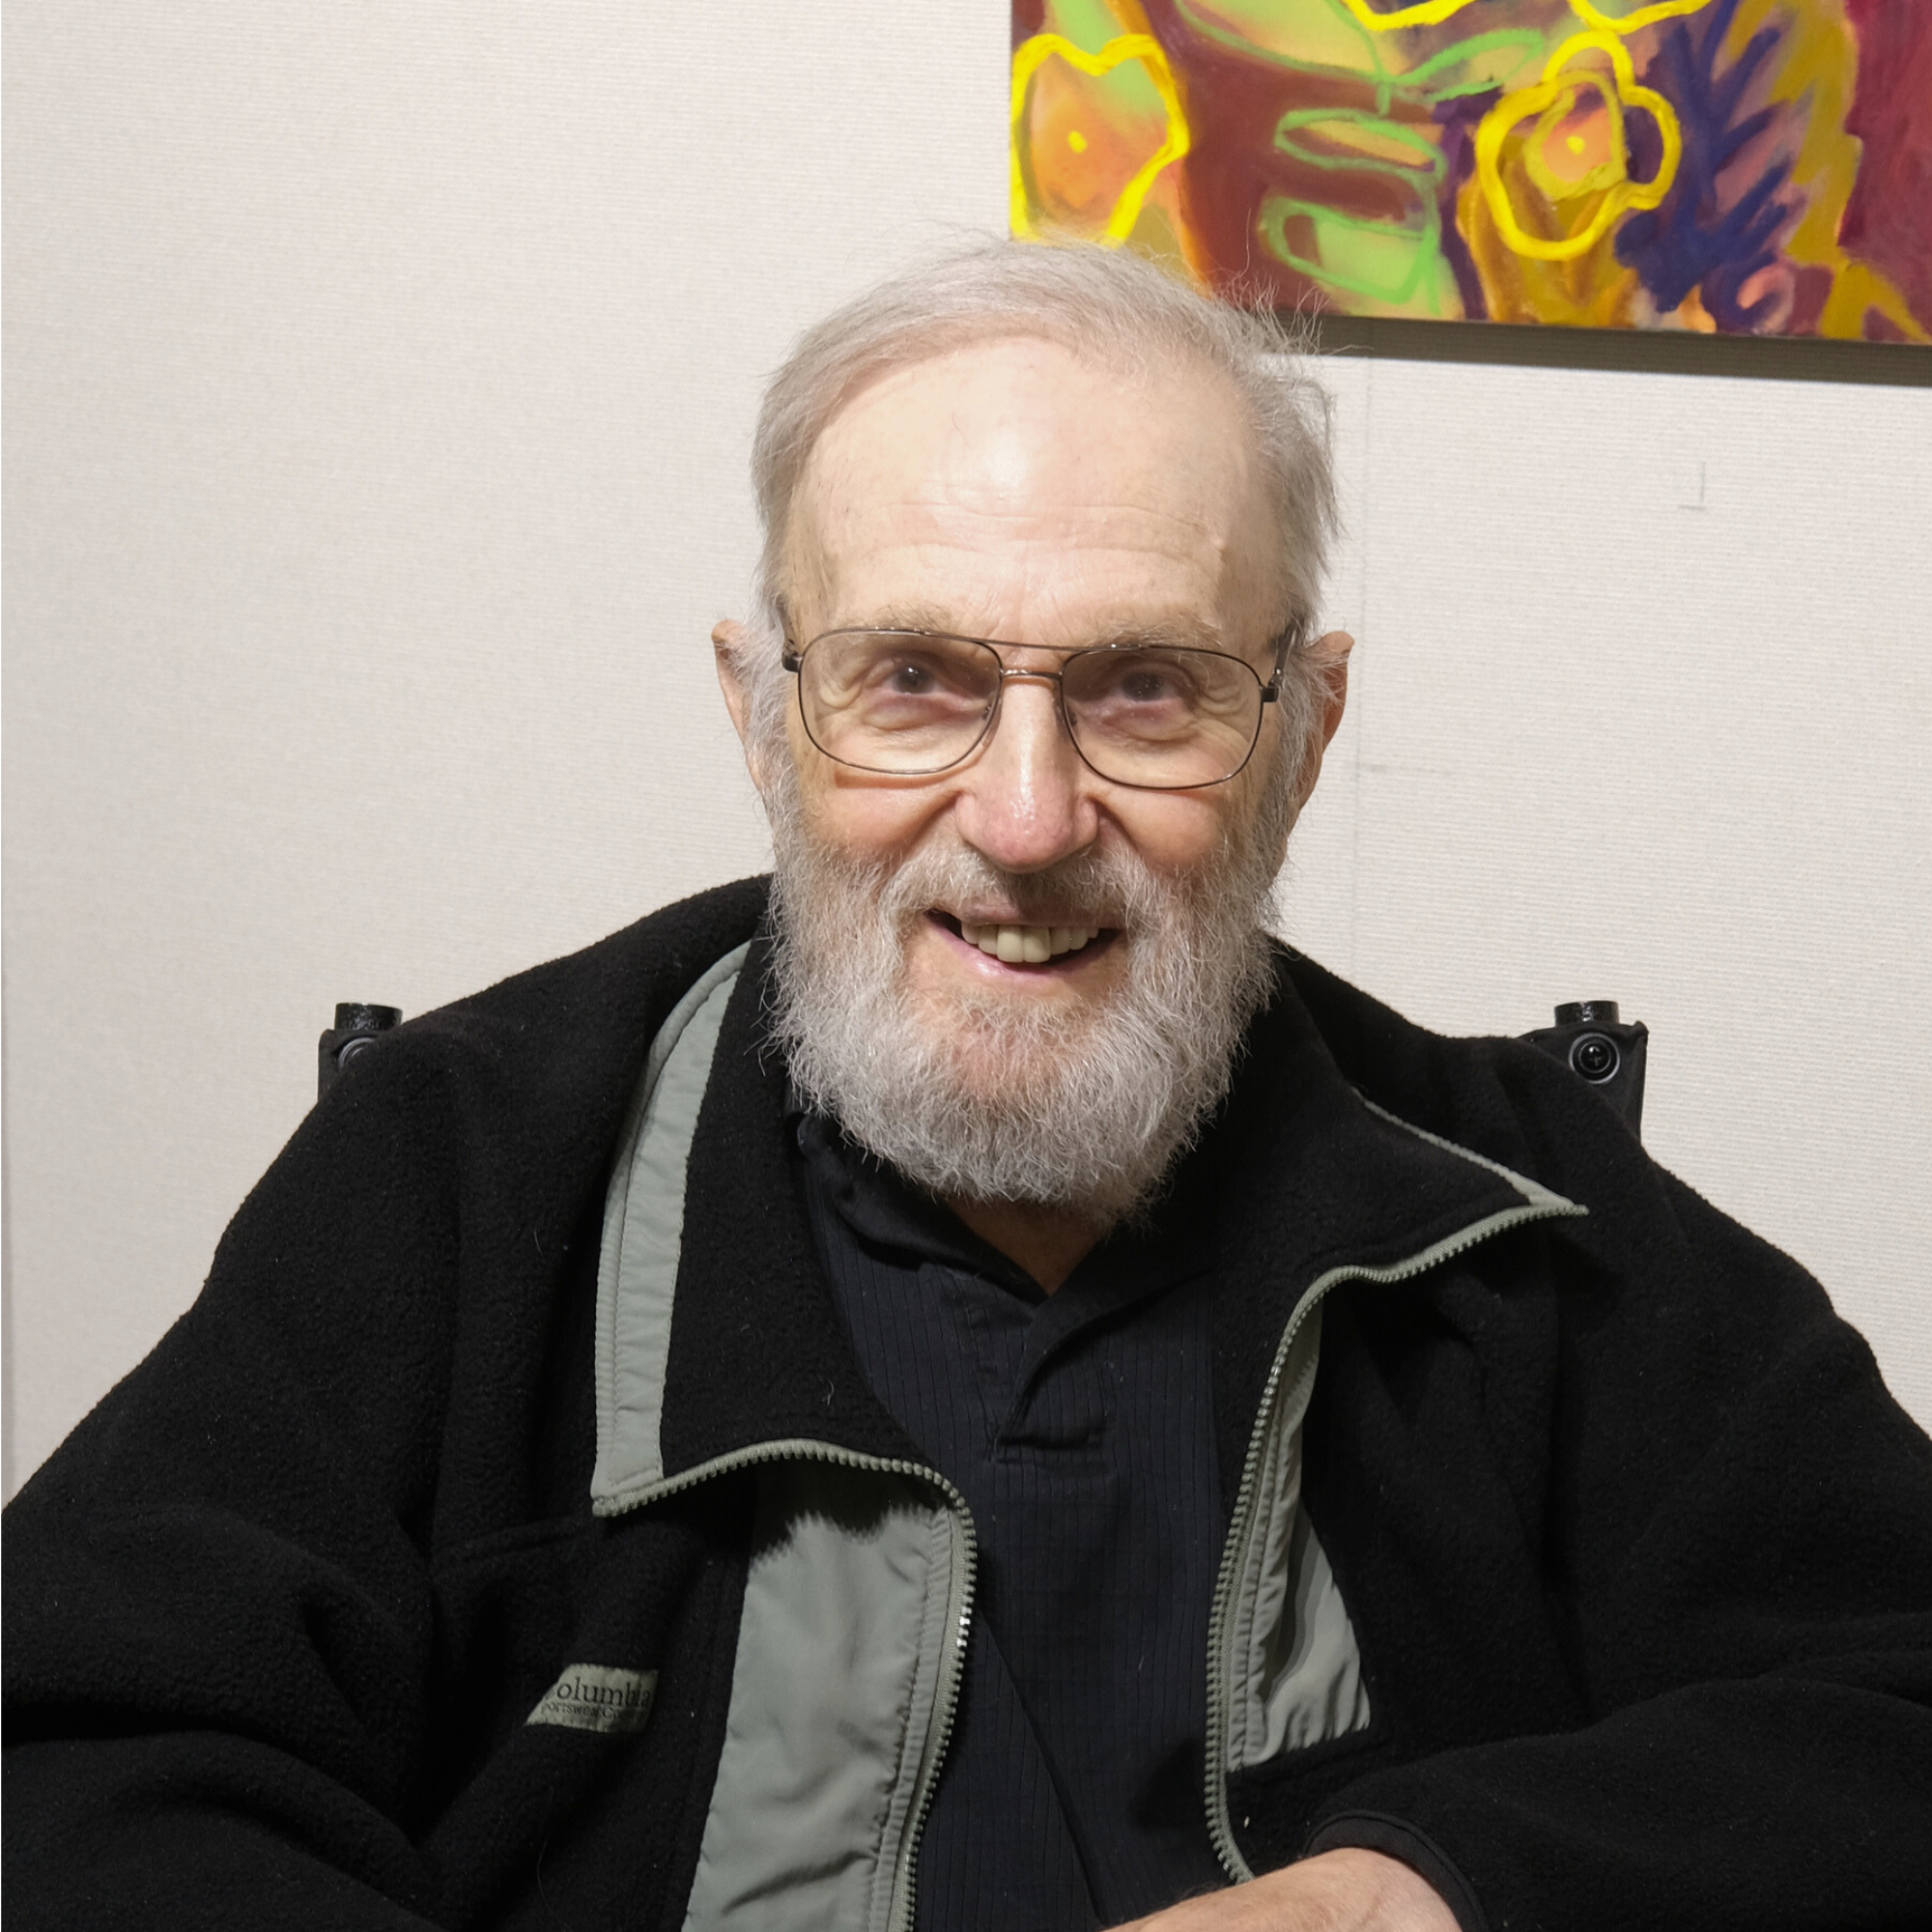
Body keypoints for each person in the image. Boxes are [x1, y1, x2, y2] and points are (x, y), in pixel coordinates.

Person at [5, 240, 1929, 1932]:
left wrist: (1425, 1883)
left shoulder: (1521, 1224)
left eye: (1144, 688)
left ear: (1301, 733)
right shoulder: (462, 1167)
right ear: (761, 716)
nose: (1022, 820)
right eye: (913, 677)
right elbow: (73, 1762)